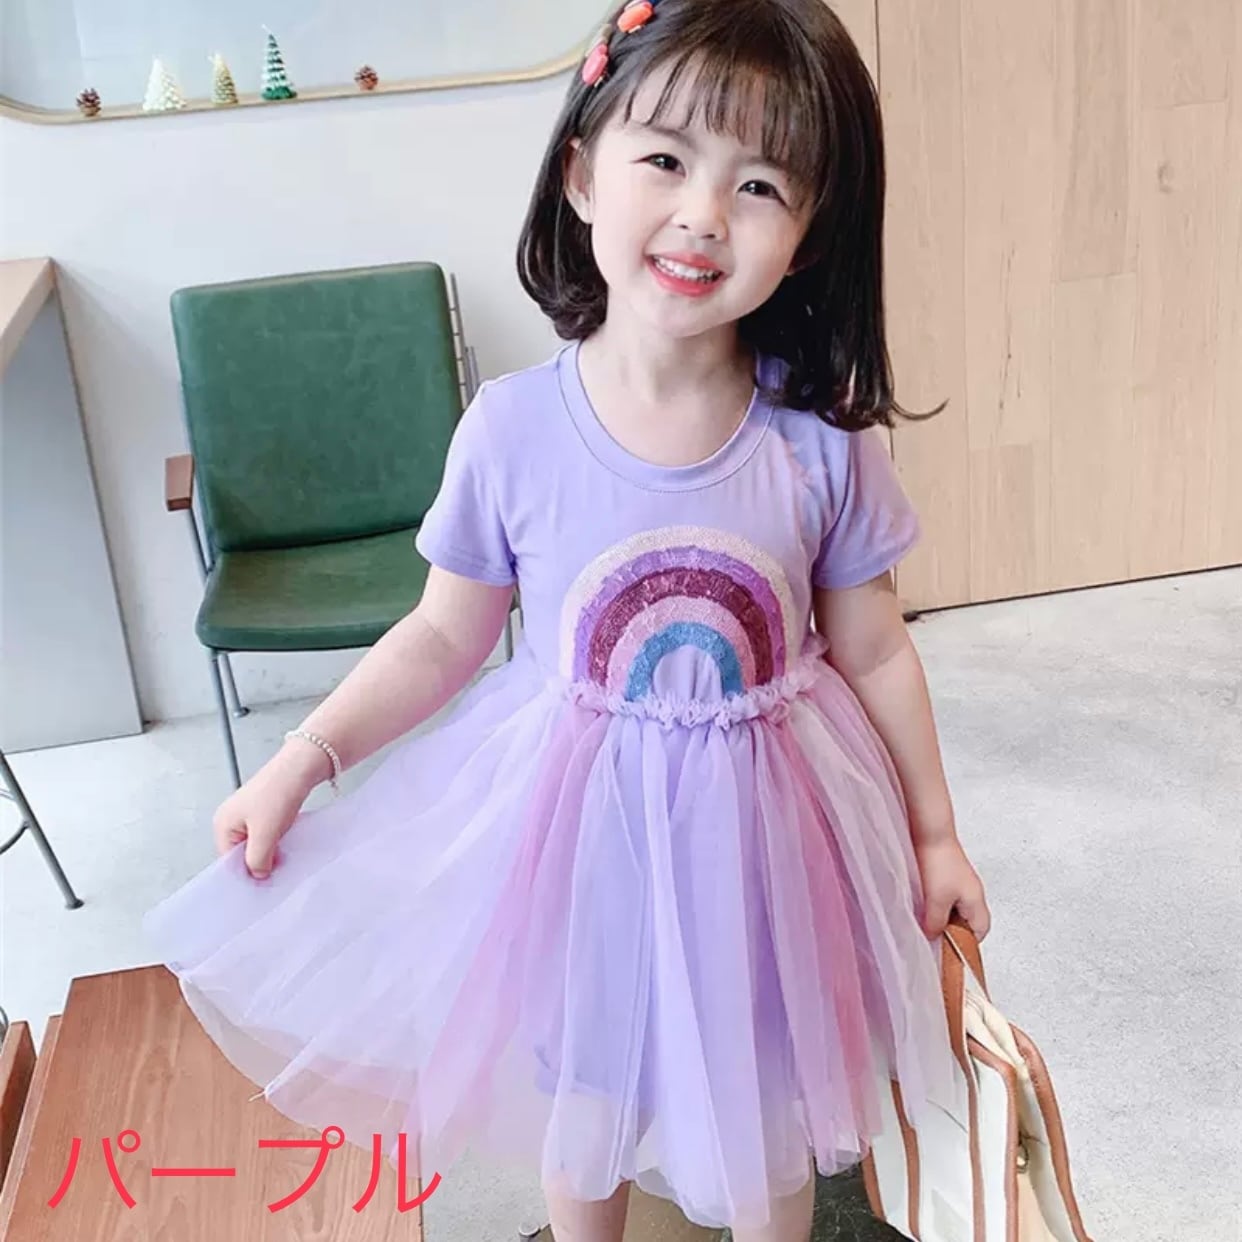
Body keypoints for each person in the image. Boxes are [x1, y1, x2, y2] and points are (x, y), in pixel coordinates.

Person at [145, 1, 990, 1238]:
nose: (704, 214)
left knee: (767, 1104)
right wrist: (303, 757)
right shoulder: (512, 430)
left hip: (768, 844)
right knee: (584, 1101)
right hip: (579, 837)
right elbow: (442, 637)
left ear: (809, 237)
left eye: (759, 184)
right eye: (667, 159)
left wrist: (934, 833)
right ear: (584, 175)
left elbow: (875, 647)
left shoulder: (822, 443)